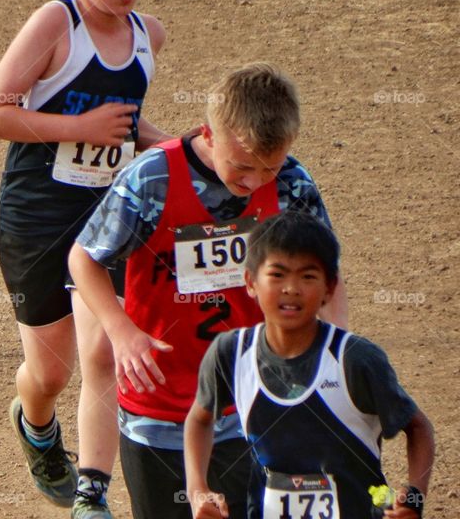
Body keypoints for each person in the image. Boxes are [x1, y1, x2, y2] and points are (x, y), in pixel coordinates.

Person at [69, 63, 348, 519]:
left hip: (253, 403)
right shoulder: (151, 179)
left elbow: (328, 276)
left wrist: (332, 355)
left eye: (268, 167)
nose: (255, 182)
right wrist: (120, 331)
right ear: (209, 134)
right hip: (157, 409)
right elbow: (83, 258)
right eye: (241, 166)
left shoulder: (293, 185)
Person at [0, 0, 171, 517]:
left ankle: (93, 495)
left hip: (110, 216)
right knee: (49, 374)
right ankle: (36, 427)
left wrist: (179, 149)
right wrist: (78, 125)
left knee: (103, 353)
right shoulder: (55, 26)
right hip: (37, 212)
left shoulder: (149, 36)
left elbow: (126, 127)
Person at [184, 211, 434, 519]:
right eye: (277, 274)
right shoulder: (231, 354)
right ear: (250, 282)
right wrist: (197, 489)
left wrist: (415, 497)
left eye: (308, 276)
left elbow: (418, 426)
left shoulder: (355, 360)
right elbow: (199, 418)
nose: (291, 288)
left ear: (329, 289)